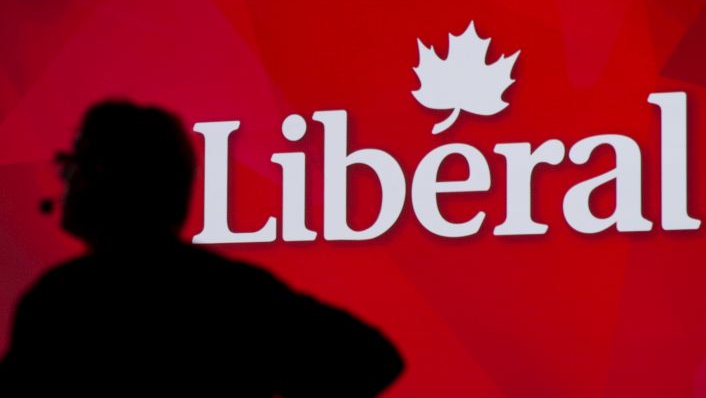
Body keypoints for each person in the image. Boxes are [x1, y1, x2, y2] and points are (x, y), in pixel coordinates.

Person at [0, 100, 403, 396]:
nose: (64, 179)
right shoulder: (231, 291)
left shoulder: (62, 300)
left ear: (100, 177)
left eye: (72, 164)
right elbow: (372, 358)